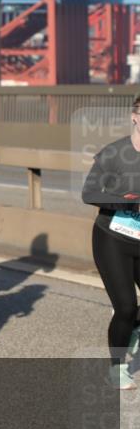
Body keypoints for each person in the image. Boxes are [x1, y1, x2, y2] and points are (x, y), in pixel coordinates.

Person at [82, 93, 140, 390]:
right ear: (134, 116)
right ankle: (117, 367)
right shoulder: (114, 153)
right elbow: (89, 193)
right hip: (112, 237)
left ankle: (133, 328)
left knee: (132, 313)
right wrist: (126, 203)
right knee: (126, 306)